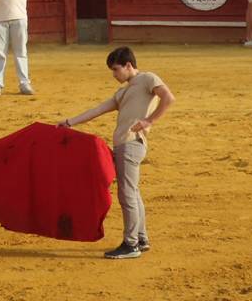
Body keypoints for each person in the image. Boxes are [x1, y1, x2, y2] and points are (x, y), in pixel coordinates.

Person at [58, 46, 175, 259]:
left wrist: (150, 120)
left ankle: (131, 245)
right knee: (133, 193)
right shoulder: (122, 92)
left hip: (131, 144)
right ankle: (141, 238)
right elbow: (98, 110)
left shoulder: (148, 78)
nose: (113, 74)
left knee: (127, 194)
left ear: (128, 65)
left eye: (115, 69)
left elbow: (168, 97)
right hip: (125, 145)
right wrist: (69, 122)